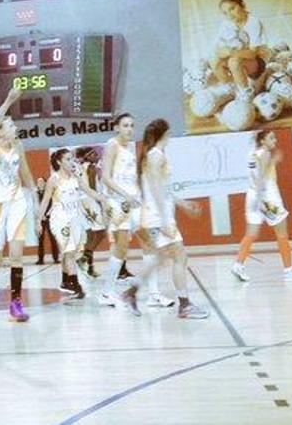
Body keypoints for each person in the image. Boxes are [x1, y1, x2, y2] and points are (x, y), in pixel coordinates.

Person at [118, 119, 210, 319]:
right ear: (165, 134)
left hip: (156, 215)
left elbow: (164, 190)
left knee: (159, 258)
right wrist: (166, 220)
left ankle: (131, 293)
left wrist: (183, 203)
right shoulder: (155, 156)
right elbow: (157, 192)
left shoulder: (154, 155)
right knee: (180, 256)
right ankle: (184, 305)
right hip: (157, 217)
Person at [0, 88, 36, 322]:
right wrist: (8, 100)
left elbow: (27, 175)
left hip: (17, 203)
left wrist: (37, 202)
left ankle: (16, 303)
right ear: (1, 131)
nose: (15, 128)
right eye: (10, 125)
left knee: (16, 255)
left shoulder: (18, 147)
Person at [231, 130, 292, 281]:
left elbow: (256, 174)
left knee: (251, 233)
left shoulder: (252, 153)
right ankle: (289, 269)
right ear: (262, 141)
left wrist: (256, 199)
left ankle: (238, 265)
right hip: (266, 197)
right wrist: (274, 161)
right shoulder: (265, 154)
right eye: (271, 138)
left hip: (252, 195)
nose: (275, 140)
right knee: (282, 233)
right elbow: (262, 176)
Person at [36, 149, 110, 301]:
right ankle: (76, 287)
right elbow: (45, 201)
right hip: (60, 219)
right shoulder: (54, 179)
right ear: (59, 162)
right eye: (68, 159)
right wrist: (38, 220)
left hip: (75, 218)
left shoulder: (76, 177)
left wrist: (103, 198)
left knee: (69, 251)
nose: (72, 162)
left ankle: (65, 281)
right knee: (69, 252)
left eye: (72, 159)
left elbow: (89, 191)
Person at [97, 113, 141, 307]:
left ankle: (152, 291)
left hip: (133, 200)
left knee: (128, 246)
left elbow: (132, 176)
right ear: (116, 127)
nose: (129, 129)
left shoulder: (132, 146)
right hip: (119, 201)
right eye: (125, 125)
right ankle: (106, 292)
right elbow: (106, 177)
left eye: (132, 125)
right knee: (121, 246)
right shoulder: (112, 144)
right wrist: (125, 195)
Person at [209, 0, 270, 100]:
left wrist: (230, 51)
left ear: (242, 5)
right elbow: (218, 52)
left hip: (257, 63)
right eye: (225, 13)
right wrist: (226, 52)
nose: (230, 15)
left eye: (232, 8)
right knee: (214, 60)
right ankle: (230, 88)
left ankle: (246, 93)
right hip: (239, 58)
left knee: (234, 61)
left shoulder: (254, 22)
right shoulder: (226, 24)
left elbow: (252, 54)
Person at [75, 147, 107, 278]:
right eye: (93, 153)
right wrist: (100, 202)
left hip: (81, 202)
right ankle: (84, 257)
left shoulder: (80, 167)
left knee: (90, 235)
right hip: (91, 201)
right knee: (102, 232)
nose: (97, 155)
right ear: (87, 156)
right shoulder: (91, 168)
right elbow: (92, 187)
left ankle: (90, 268)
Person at [35, 177, 59, 266]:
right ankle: (40, 259)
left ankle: (56, 258)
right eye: (38, 182)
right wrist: (40, 216)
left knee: (52, 238)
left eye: (41, 182)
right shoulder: (36, 194)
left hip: (49, 218)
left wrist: (47, 214)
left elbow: (52, 204)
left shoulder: (48, 193)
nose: (40, 183)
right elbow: (35, 206)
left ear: (45, 183)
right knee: (40, 239)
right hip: (40, 219)